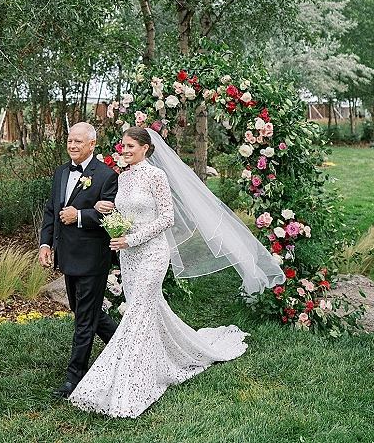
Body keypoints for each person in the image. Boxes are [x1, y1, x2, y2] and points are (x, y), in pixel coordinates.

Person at [68, 126, 284, 419]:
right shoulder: (122, 178)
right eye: (123, 146)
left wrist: (131, 238)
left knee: (137, 312)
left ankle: (133, 380)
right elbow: (126, 214)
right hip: (129, 258)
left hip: (152, 254)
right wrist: (108, 212)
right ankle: (171, 353)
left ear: (146, 148)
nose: (125, 150)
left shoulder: (157, 176)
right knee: (146, 309)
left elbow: (167, 218)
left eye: (131, 146)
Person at [39, 121, 119, 398]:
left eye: (78, 142)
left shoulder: (107, 175)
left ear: (92, 145)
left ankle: (75, 377)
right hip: (67, 255)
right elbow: (51, 211)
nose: (72, 146)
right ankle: (124, 348)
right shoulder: (61, 172)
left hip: (92, 258)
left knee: (84, 320)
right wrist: (46, 243)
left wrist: (81, 216)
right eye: (70, 141)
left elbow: (113, 214)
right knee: (88, 313)